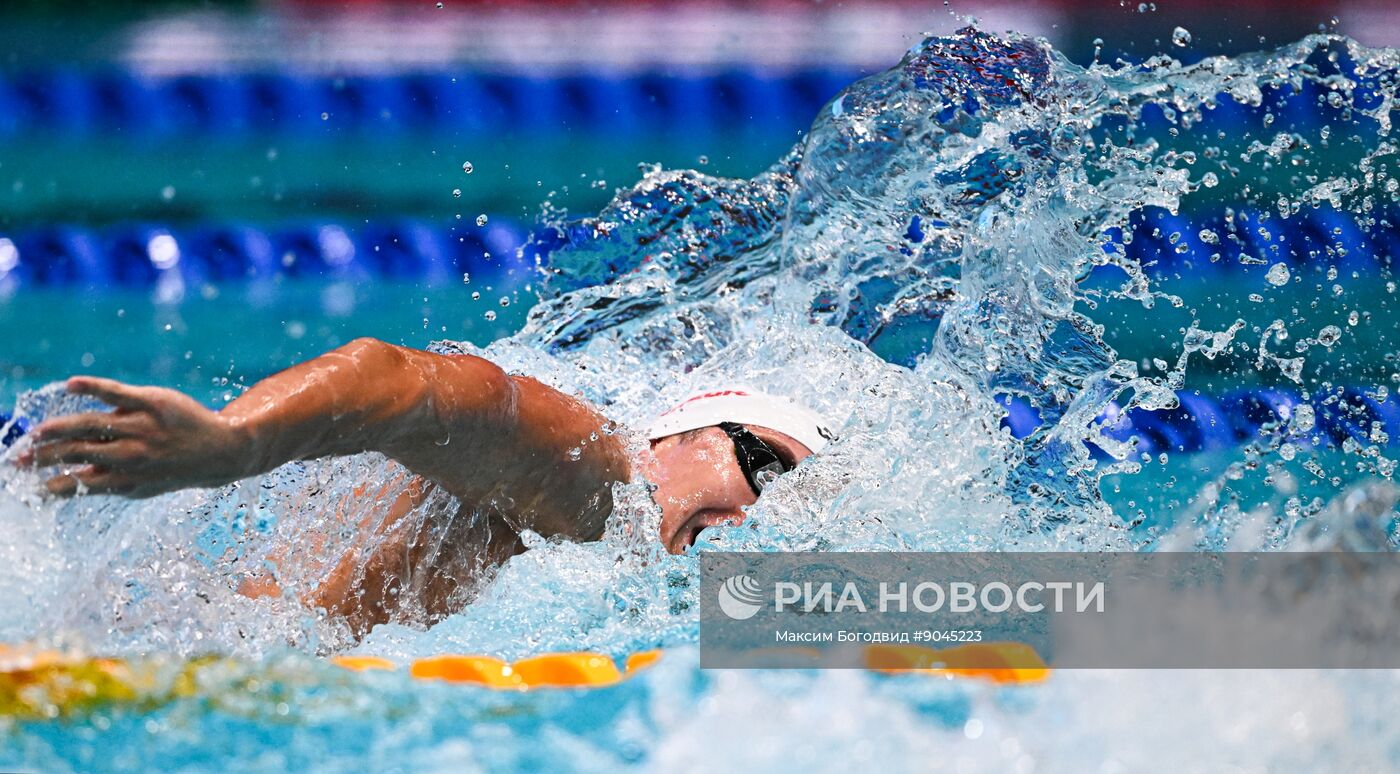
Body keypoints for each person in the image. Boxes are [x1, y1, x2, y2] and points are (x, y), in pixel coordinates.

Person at [14, 337, 834, 634]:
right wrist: (233, 443)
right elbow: (405, 384)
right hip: (201, 661)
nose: (758, 514)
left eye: (790, 507)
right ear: (678, 434)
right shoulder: (597, 481)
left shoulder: (661, 579)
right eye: (762, 466)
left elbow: (935, 609)